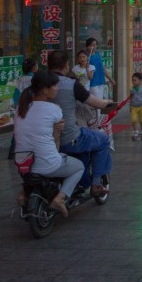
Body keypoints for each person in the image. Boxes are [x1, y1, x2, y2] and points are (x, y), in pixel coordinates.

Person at [13, 71, 85, 217]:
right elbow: (56, 142)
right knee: (79, 167)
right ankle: (60, 198)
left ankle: (24, 194)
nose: (57, 88)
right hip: (47, 164)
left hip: (23, 164)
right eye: (55, 86)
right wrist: (56, 133)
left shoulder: (20, 108)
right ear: (45, 89)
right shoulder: (54, 109)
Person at [46, 50, 114, 196]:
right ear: (66, 66)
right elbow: (96, 103)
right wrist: (108, 102)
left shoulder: (38, 85)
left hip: (42, 138)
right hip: (69, 137)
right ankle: (96, 185)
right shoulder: (70, 84)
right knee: (103, 140)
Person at [8, 57, 39, 159]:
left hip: (21, 108)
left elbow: (15, 96)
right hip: (33, 108)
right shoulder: (35, 80)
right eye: (36, 65)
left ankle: (12, 152)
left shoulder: (20, 80)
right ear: (34, 68)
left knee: (18, 130)